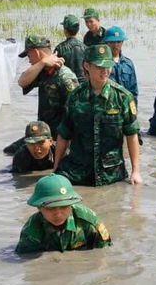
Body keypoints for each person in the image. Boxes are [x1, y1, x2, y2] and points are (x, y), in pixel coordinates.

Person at [54, 44, 141, 187]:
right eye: (100, 67)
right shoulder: (75, 97)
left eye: (108, 66)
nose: (105, 71)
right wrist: (56, 168)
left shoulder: (123, 97)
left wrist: (136, 171)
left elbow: (132, 135)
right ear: (87, 66)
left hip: (111, 174)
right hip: (77, 173)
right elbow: (64, 134)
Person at [9, 35, 78, 157]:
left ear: (36, 52)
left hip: (58, 137)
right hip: (43, 134)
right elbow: (21, 82)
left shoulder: (64, 76)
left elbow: (76, 112)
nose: (29, 61)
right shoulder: (42, 72)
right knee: (9, 151)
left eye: (29, 56)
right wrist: (42, 62)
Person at [15, 174, 111, 254]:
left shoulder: (89, 220)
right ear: (39, 207)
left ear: (71, 204)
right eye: (50, 208)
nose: (58, 213)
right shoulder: (31, 231)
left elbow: (105, 252)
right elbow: (30, 263)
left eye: (64, 206)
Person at [104, 26, 138, 103]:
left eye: (118, 42)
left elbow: (133, 91)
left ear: (122, 42)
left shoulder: (128, 64)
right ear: (107, 43)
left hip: (125, 107)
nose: (115, 45)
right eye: (112, 42)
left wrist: (133, 110)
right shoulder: (102, 64)